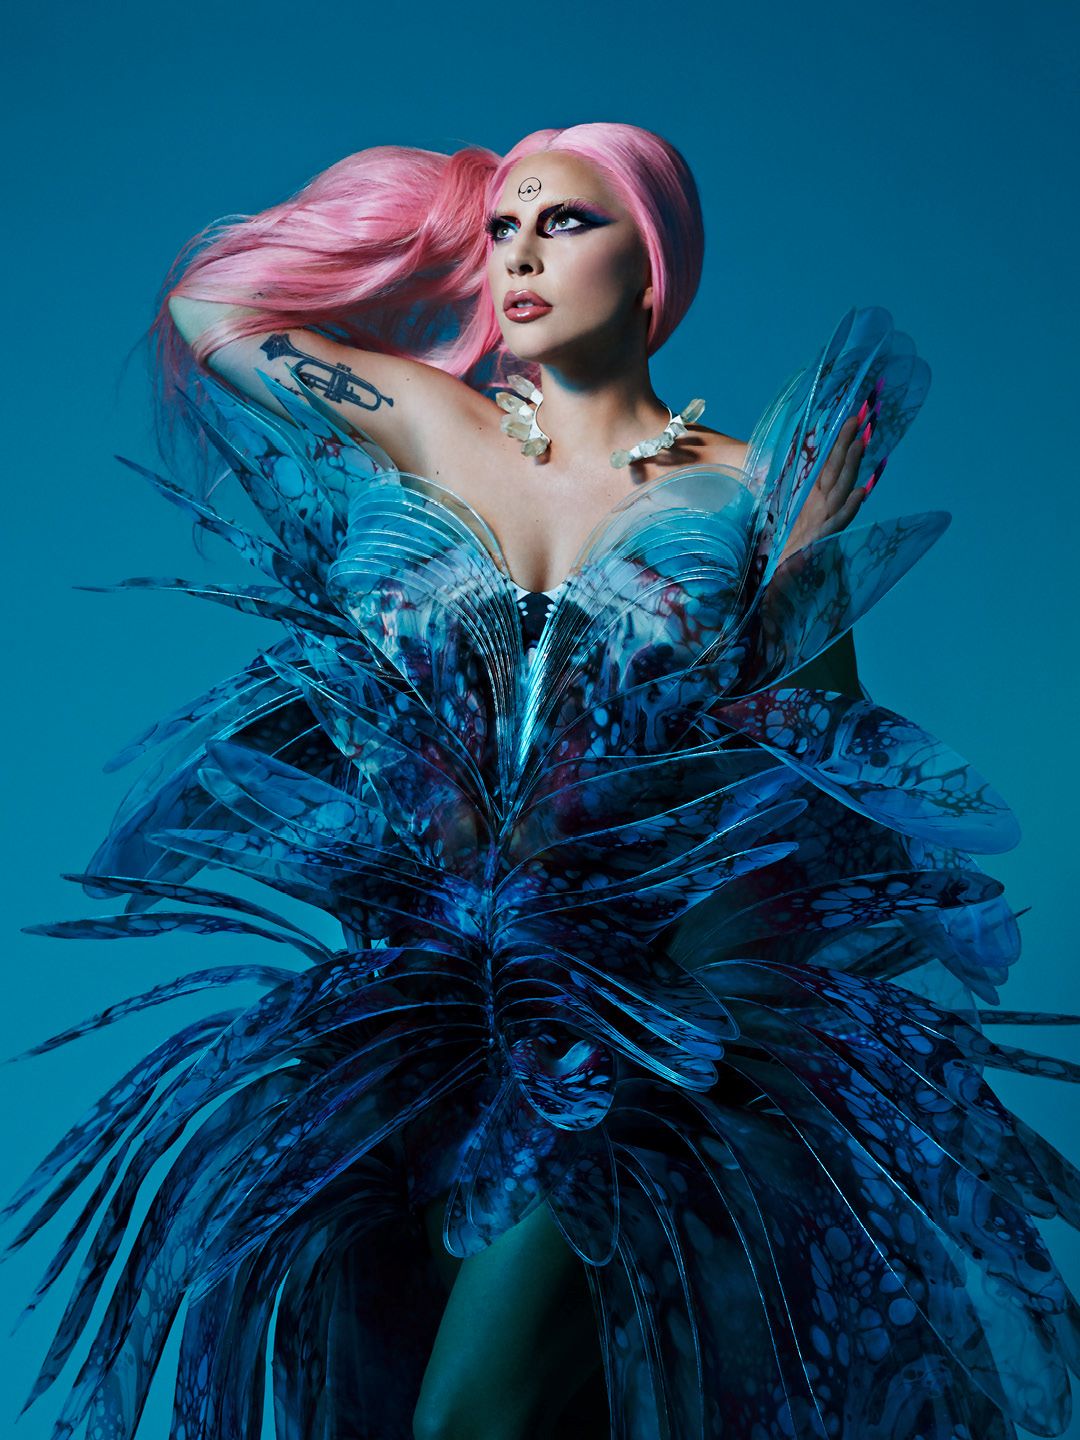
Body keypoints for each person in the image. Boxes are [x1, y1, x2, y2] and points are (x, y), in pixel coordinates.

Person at [6, 123, 1078, 1440]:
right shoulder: (432, 423)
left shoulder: (754, 495)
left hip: (645, 1023)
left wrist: (798, 583)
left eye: (566, 222)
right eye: (504, 231)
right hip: (412, 1018)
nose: (519, 255)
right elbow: (209, 308)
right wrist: (437, 203)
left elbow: (824, 788)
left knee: (471, 1418)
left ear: (653, 267)